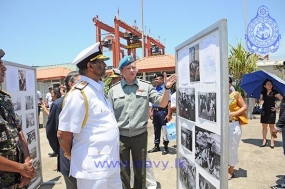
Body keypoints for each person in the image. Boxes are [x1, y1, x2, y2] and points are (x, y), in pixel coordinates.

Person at [57, 42, 122, 189]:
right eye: (100, 62)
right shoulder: (79, 94)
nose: (105, 65)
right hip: (92, 168)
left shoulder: (98, 90)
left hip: (111, 163)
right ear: (90, 66)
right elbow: (63, 133)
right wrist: (70, 155)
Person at [108, 55, 177, 189]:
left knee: (140, 170)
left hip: (140, 135)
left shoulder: (146, 87)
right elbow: (109, 115)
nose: (132, 70)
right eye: (128, 68)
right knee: (123, 171)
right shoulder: (113, 90)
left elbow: (162, 104)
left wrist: (167, 88)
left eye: (134, 67)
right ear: (121, 71)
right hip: (120, 137)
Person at [0, 49, 36, 188]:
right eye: (0, 64)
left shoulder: (5, 98)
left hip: (18, 181)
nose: (4, 68)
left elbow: (19, 133)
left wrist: (26, 165)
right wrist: (21, 168)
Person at [46, 71, 80, 189]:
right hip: (68, 156)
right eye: (80, 82)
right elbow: (51, 132)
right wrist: (61, 150)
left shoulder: (86, 102)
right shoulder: (59, 104)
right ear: (71, 84)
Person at [228, 77, 247, 180]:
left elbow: (244, 106)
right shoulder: (218, 94)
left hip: (233, 124)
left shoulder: (235, 94)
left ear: (230, 84)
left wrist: (234, 113)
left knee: (232, 148)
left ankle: (231, 170)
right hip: (221, 126)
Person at [148, 73, 172, 155]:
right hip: (155, 111)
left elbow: (169, 102)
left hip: (163, 112)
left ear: (162, 80)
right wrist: (151, 112)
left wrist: (169, 114)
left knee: (165, 129)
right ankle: (156, 146)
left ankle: (165, 147)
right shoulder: (154, 89)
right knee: (156, 129)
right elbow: (152, 102)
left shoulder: (166, 89)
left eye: (157, 79)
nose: (155, 80)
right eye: (155, 79)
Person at [259, 79, 283, 148]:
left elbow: (282, 100)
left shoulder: (275, 92)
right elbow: (261, 100)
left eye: (271, 84)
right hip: (264, 111)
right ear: (265, 86)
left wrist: (277, 108)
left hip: (272, 111)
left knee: (271, 126)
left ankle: (272, 140)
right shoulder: (262, 92)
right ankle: (264, 140)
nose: (270, 85)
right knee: (264, 126)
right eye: (268, 84)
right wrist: (261, 101)